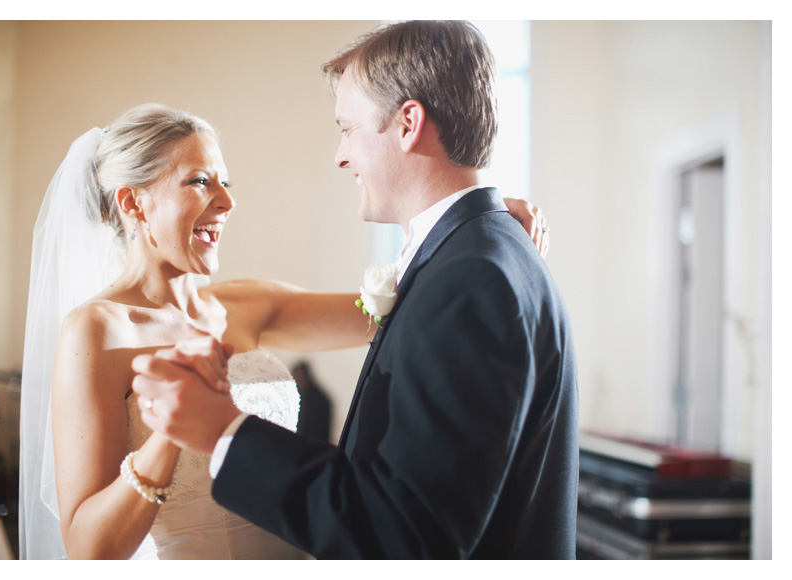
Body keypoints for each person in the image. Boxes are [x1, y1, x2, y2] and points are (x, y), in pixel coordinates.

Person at [18, 101, 546, 559]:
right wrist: (172, 430)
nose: (226, 202)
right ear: (134, 203)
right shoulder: (96, 332)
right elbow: (89, 548)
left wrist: (479, 224)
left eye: (226, 182)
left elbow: (401, 306)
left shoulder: (249, 305)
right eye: (200, 181)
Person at [132, 20, 578, 559]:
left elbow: (405, 537)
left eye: (347, 129)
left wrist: (223, 431)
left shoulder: (471, 276)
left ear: (409, 123)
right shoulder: (475, 256)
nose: (340, 156)